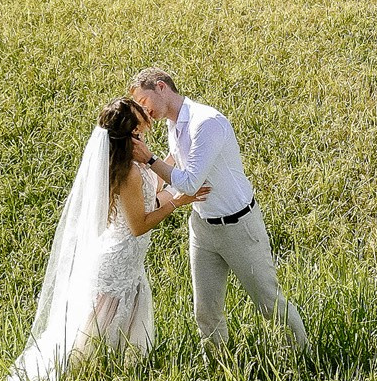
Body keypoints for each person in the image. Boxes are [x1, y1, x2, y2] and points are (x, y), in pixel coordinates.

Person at [6, 96, 208, 381]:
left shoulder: (134, 164)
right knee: (91, 335)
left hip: (129, 262)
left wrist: (174, 159)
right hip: (116, 264)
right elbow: (139, 224)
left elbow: (153, 191)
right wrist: (178, 201)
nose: (145, 132)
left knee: (114, 332)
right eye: (140, 129)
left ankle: (111, 380)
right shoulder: (127, 172)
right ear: (130, 135)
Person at [130, 67, 308, 349]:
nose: (143, 110)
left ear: (161, 88)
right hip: (202, 228)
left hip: (239, 227)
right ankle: (219, 368)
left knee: (269, 303)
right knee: (206, 311)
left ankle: (303, 355)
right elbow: (177, 168)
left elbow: (188, 183)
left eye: (144, 101)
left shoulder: (207, 122)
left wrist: (149, 159)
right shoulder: (173, 125)